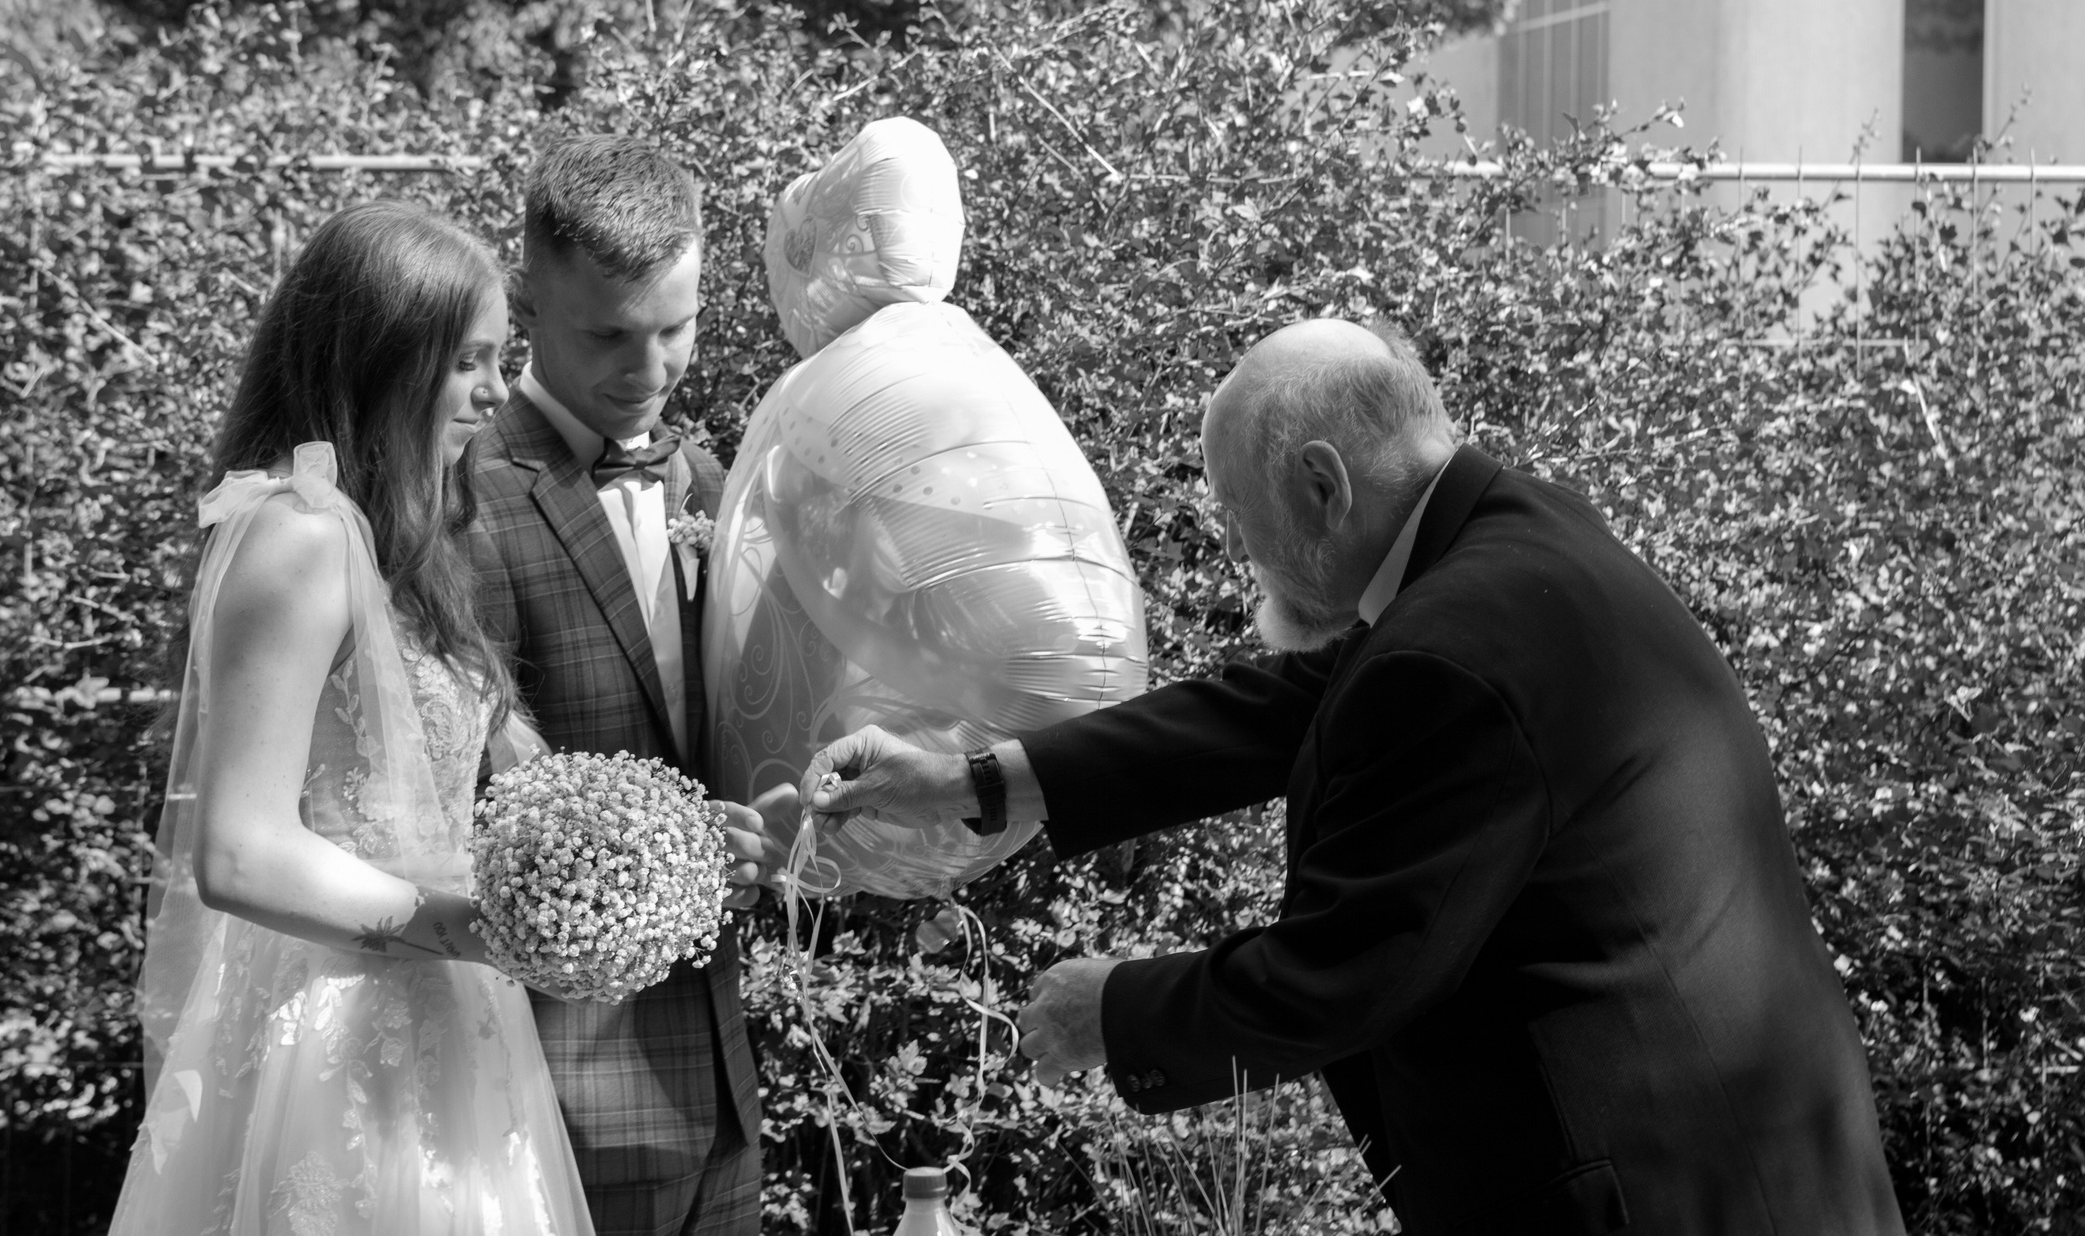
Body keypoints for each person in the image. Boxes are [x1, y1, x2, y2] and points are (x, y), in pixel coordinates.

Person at [807, 318, 1908, 1235]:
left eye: (1234, 513)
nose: (1238, 552)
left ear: (1322, 485)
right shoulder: (1510, 548)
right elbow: (1287, 705)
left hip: (1664, 1198)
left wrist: (1115, 1012)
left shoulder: (1452, 650)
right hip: (1759, 1167)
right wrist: (975, 780)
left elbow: (1346, 971)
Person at [108, 200, 600, 1236]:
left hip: (450, 1020)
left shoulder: (398, 543)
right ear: (385, 360)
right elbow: (238, 853)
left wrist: (660, 849)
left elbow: (497, 780)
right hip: (331, 1036)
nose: (497, 391)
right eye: (468, 361)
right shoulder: (297, 535)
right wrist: (468, 926)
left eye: (499, 357)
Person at [463, 136, 788, 1236]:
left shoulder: (713, 481)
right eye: (608, 334)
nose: (649, 369)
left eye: (675, 328)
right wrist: (681, 854)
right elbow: (462, 798)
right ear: (525, 305)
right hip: (560, 1082)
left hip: (720, 1077)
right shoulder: (466, 501)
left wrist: (767, 832)